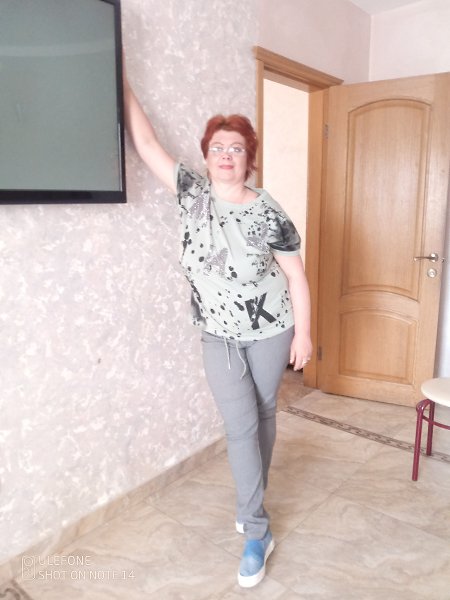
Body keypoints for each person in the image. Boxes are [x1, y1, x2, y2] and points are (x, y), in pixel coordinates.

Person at [123, 60, 312, 588]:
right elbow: (145, 142)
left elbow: (296, 275)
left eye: (237, 149)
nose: (226, 155)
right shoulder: (192, 194)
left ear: (249, 159)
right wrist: (119, 74)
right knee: (241, 425)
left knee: (265, 412)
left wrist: (303, 333)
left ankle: (252, 504)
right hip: (219, 335)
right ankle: (257, 529)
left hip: (271, 329)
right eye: (218, 148)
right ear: (206, 156)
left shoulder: (267, 210)